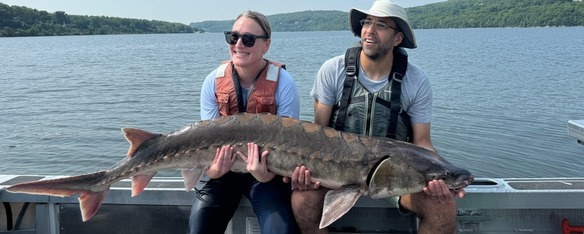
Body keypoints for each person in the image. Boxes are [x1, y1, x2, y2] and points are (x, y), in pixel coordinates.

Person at [288, 1, 465, 233]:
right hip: (338, 174)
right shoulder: (333, 70)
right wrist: (305, 173)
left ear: (397, 39)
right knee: (302, 201)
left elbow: (422, 143)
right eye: (367, 22)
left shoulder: (416, 81)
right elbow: (317, 132)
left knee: (442, 206)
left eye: (381, 25)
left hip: (396, 179)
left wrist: (446, 175)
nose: (370, 30)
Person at [188, 10, 300, 234]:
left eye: (248, 39)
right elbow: (206, 141)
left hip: (266, 177)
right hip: (222, 174)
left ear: (266, 45)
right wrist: (214, 171)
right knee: (200, 227)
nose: (238, 44)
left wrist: (265, 174)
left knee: (281, 230)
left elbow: (292, 147)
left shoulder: (284, 83)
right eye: (233, 37)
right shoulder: (212, 81)